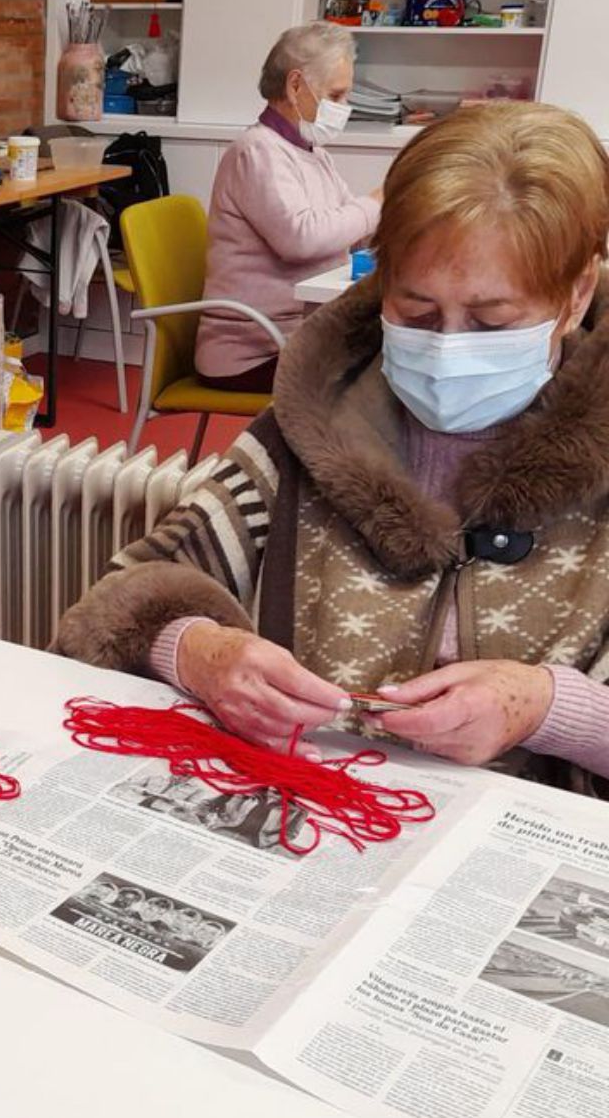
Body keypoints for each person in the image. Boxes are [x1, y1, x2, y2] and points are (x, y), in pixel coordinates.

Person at [56, 101, 609, 798]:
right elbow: (119, 603)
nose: (445, 348)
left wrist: (547, 707)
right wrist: (199, 651)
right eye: (416, 312)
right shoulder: (313, 428)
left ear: (577, 293)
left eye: (491, 321)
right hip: (311, 814)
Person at [195, 22, 382, 393]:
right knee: (382, 378)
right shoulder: (256, 151)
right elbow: (301, 238)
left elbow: (353, 228)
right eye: (337, 95)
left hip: (298, 333)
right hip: (252, 350)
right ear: (296, 86)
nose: (344, 108)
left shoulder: (314, 153)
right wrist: (377, 202)